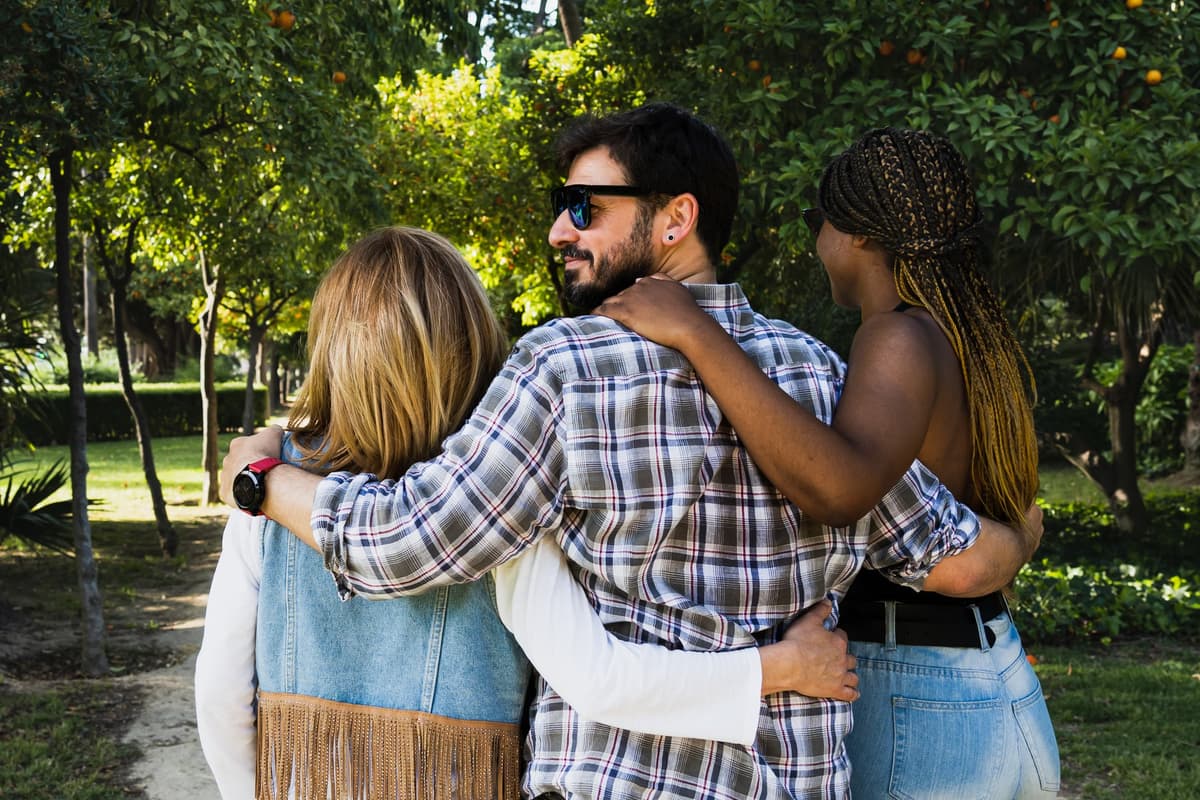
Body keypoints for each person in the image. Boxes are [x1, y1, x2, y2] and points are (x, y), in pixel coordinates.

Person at [219, 104, 1041, 799]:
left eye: (584, 207)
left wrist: (260, 478)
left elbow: (403, 540)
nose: (557, 230)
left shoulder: (561, 370)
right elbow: (955, 559)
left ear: (676, 218)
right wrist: (1026, 533)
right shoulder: (820, 376)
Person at [195, 225, 857, 800]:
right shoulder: (503, 499)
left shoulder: (274, 492)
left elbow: (221, 696)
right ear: (470, 345)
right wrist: (782, 667)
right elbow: (599, 675)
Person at [595, 127, 1059, 798]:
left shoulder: (898, 333)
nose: (817, 244)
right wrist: (1015, 542)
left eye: (819, 222)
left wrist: (696, 331)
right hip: (994, 681)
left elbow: (840, 487)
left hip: (915, 692)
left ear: (859, 235)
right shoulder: (966, 336)